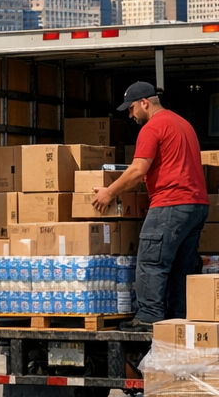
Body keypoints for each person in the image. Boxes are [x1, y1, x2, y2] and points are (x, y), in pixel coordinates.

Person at [89, 80, 209, 323]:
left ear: (144, 103)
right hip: (196, 205)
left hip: (170, 204)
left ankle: (147, 318)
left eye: (131, 108)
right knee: (181, 266)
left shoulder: (152, 127)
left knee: (151, 262)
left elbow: (137, 170)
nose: (130, 115)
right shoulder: (183, 124)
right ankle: (177, 318)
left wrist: (109, 192)